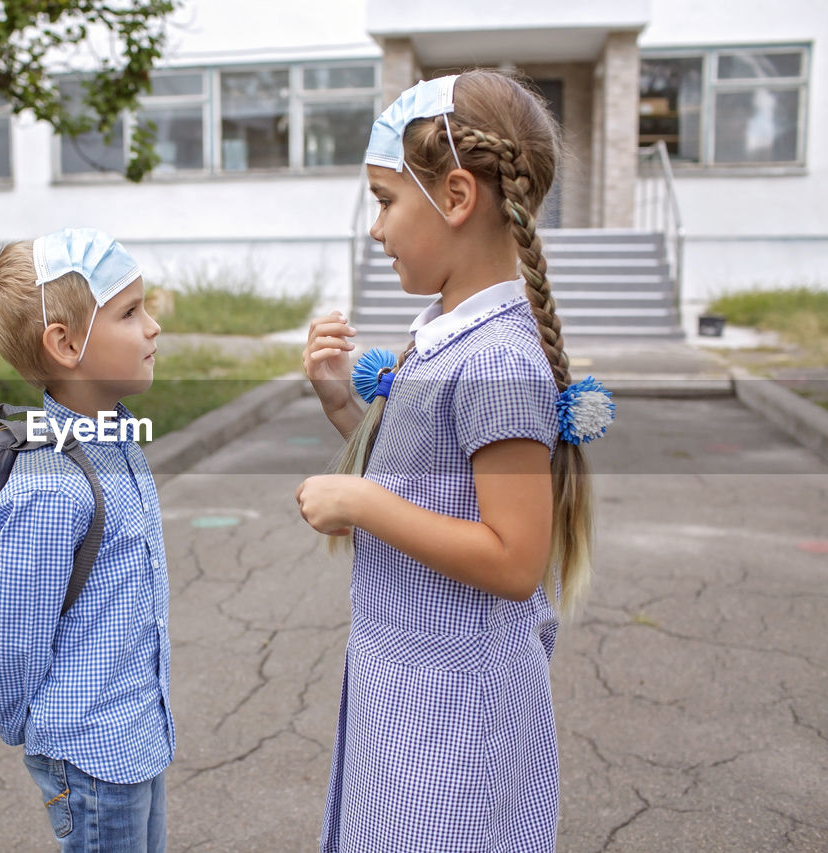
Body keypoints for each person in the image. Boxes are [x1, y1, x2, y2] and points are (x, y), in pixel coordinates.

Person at [295, 70, 614, 852]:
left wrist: (361, 505)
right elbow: (418, 466)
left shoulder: (497, 357)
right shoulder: (446, 329)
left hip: (451, 714)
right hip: (409, 690)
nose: (376, 229)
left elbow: (513, 558)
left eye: (384, 200)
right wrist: (342, 403)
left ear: (458, 196)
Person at [0, 227, 172, 852]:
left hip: (135, 734)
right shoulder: (52, 488)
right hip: (90, 757)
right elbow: (7, 636)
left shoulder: (114, 438)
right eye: (130, 313)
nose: (153, 328)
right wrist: (38, 729)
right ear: (64, 344)